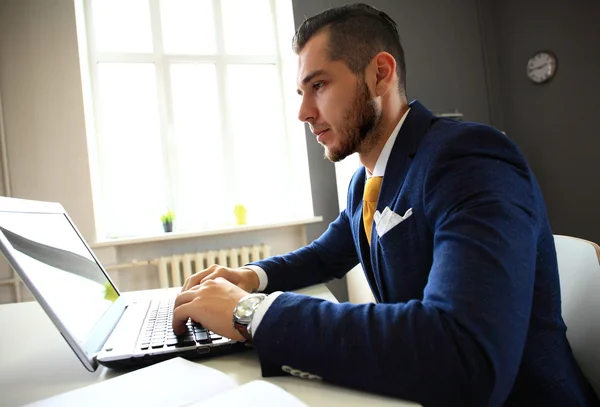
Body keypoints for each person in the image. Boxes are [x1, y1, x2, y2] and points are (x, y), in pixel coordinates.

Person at [172, 3, 599, 406]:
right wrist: (249, 276)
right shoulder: (364, 183)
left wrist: (250, 313)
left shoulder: (470, 158)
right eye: (301, 92)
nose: (303, 111)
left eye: (318, 85)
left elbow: (464, 354)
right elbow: (324, 255)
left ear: (380, 74)